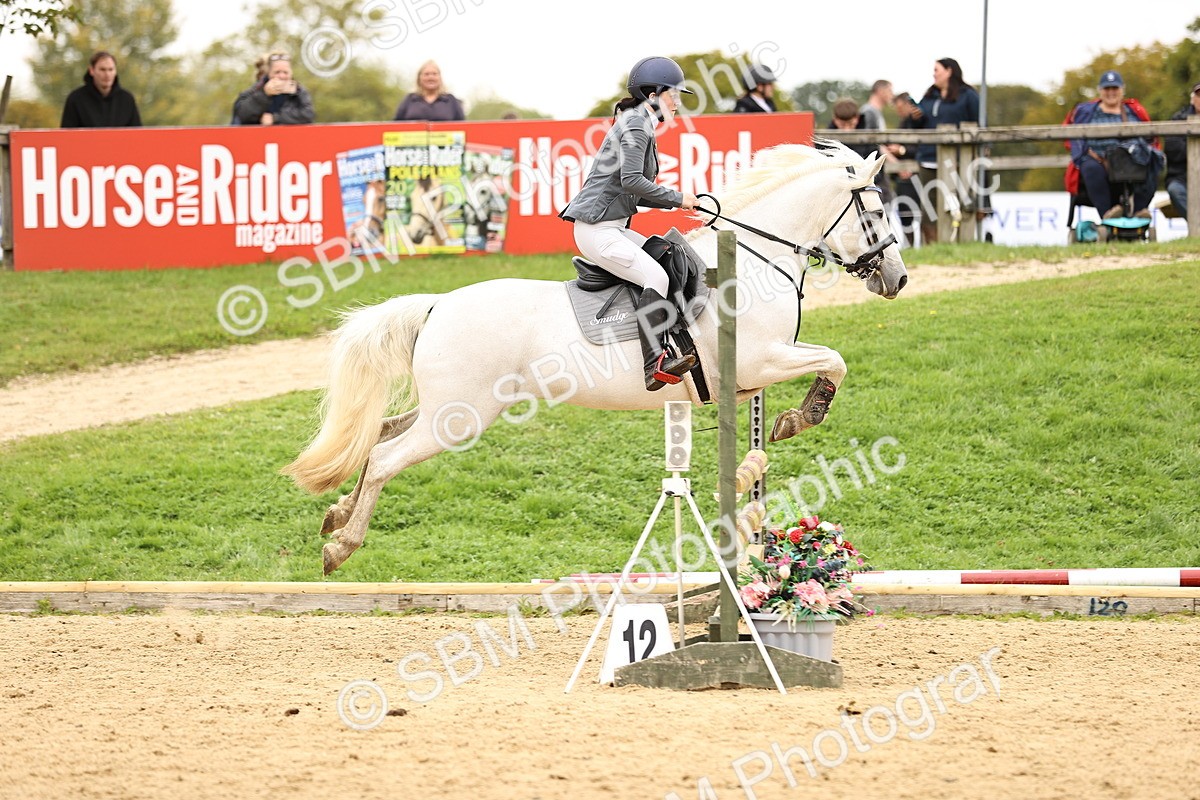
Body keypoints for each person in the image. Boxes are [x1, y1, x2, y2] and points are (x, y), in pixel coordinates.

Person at [559, 56, 700, 392]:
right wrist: (678, 198)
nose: (678, 103)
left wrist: (682, 203)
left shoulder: (639, 121)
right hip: (598, 230)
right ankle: (655, 364)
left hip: (613, 227)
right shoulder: (636, 124)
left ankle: (671, 338)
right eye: (674, 95)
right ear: (653, 93)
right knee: (656, 275)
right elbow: (632, 180)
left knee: (665, 253)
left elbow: (633, 191)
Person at [1063, 70, 1162, 220]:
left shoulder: (1134, 111)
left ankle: (1139, 212)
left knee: (1154, 160)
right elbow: (1072, 137)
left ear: (1122, 90)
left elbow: (1149, 137)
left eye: (1115, 88)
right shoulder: (1086, 111)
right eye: (1107, 89)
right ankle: (1107, 215)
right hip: (1098, 159)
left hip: (1130, 160)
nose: (1111, 93)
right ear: (1100, 91)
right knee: (1090, 167)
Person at [914, 58, 980, 243]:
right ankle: (932, 247)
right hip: (928, 159)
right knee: (929, 210)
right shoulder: (929, 96)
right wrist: (916, 118)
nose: (933, 74)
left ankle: (961, 244)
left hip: (958, 162)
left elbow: (980, 125)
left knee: (958, 205)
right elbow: (919, 128)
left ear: (949, 71)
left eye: (937, 69)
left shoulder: (968, 95)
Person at [60, 51, 142, 128]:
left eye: (111, 69)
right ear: (92, 70)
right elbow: (66, 137)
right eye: (102, 70)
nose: (107, 74)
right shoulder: (75, 99)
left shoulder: (127, 99)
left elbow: (138, 135)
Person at [232, 53, 314, 125]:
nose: (282, 76)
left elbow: (308, 115)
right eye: (277, 72)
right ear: (269, 73)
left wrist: (275, 118)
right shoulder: (256, 89)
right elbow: (242, 115)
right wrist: (264, 94)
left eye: (285, 72)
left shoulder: (299, 92)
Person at [857, 80, 897, 208]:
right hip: (873, 169)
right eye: (890, 90)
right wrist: (895, 162)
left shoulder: (874, 112)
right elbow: (874, 143)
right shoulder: (869, 112)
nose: (892, 94)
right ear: (880, 91)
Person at [890, 92, 924, 242]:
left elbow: (922, 148)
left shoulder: (920, 122)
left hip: (919, 175)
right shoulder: (903, 122)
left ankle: (925, 246)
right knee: (905, 215)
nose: (898, 111)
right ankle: (911, 246)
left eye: (899, 107)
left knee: (924, 214)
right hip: (904, 177)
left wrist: (901, 150)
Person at [1163, 82, 1200, 218]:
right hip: (1182, 178)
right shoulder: (1177, 119)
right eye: (1199, 95)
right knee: (1175, 190)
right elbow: (1173, 151)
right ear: (1193, 98)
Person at [393, 60, 465, 121]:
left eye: (434, 74)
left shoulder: (451, 100)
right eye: (426, 74)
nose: (431, 77)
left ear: (440, 78)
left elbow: (463, 127)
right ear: (419, 78)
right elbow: (395, 125)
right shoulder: (409, 99)